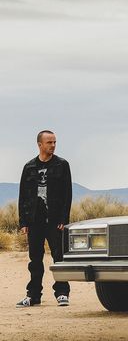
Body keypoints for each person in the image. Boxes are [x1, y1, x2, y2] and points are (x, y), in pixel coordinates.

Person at [16, 130, 72, 307]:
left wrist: (64, 218)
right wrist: (23, 221)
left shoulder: (62, 165)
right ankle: (33, 295)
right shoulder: (29, 167)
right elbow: (23, 196)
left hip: (55, 220)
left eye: (55, 142)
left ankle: (62, 293)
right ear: (40, 144)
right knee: (35, 260)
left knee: (59, 257)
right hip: (35, 221)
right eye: (49, 142)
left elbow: (67, 194)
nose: (53, 145)